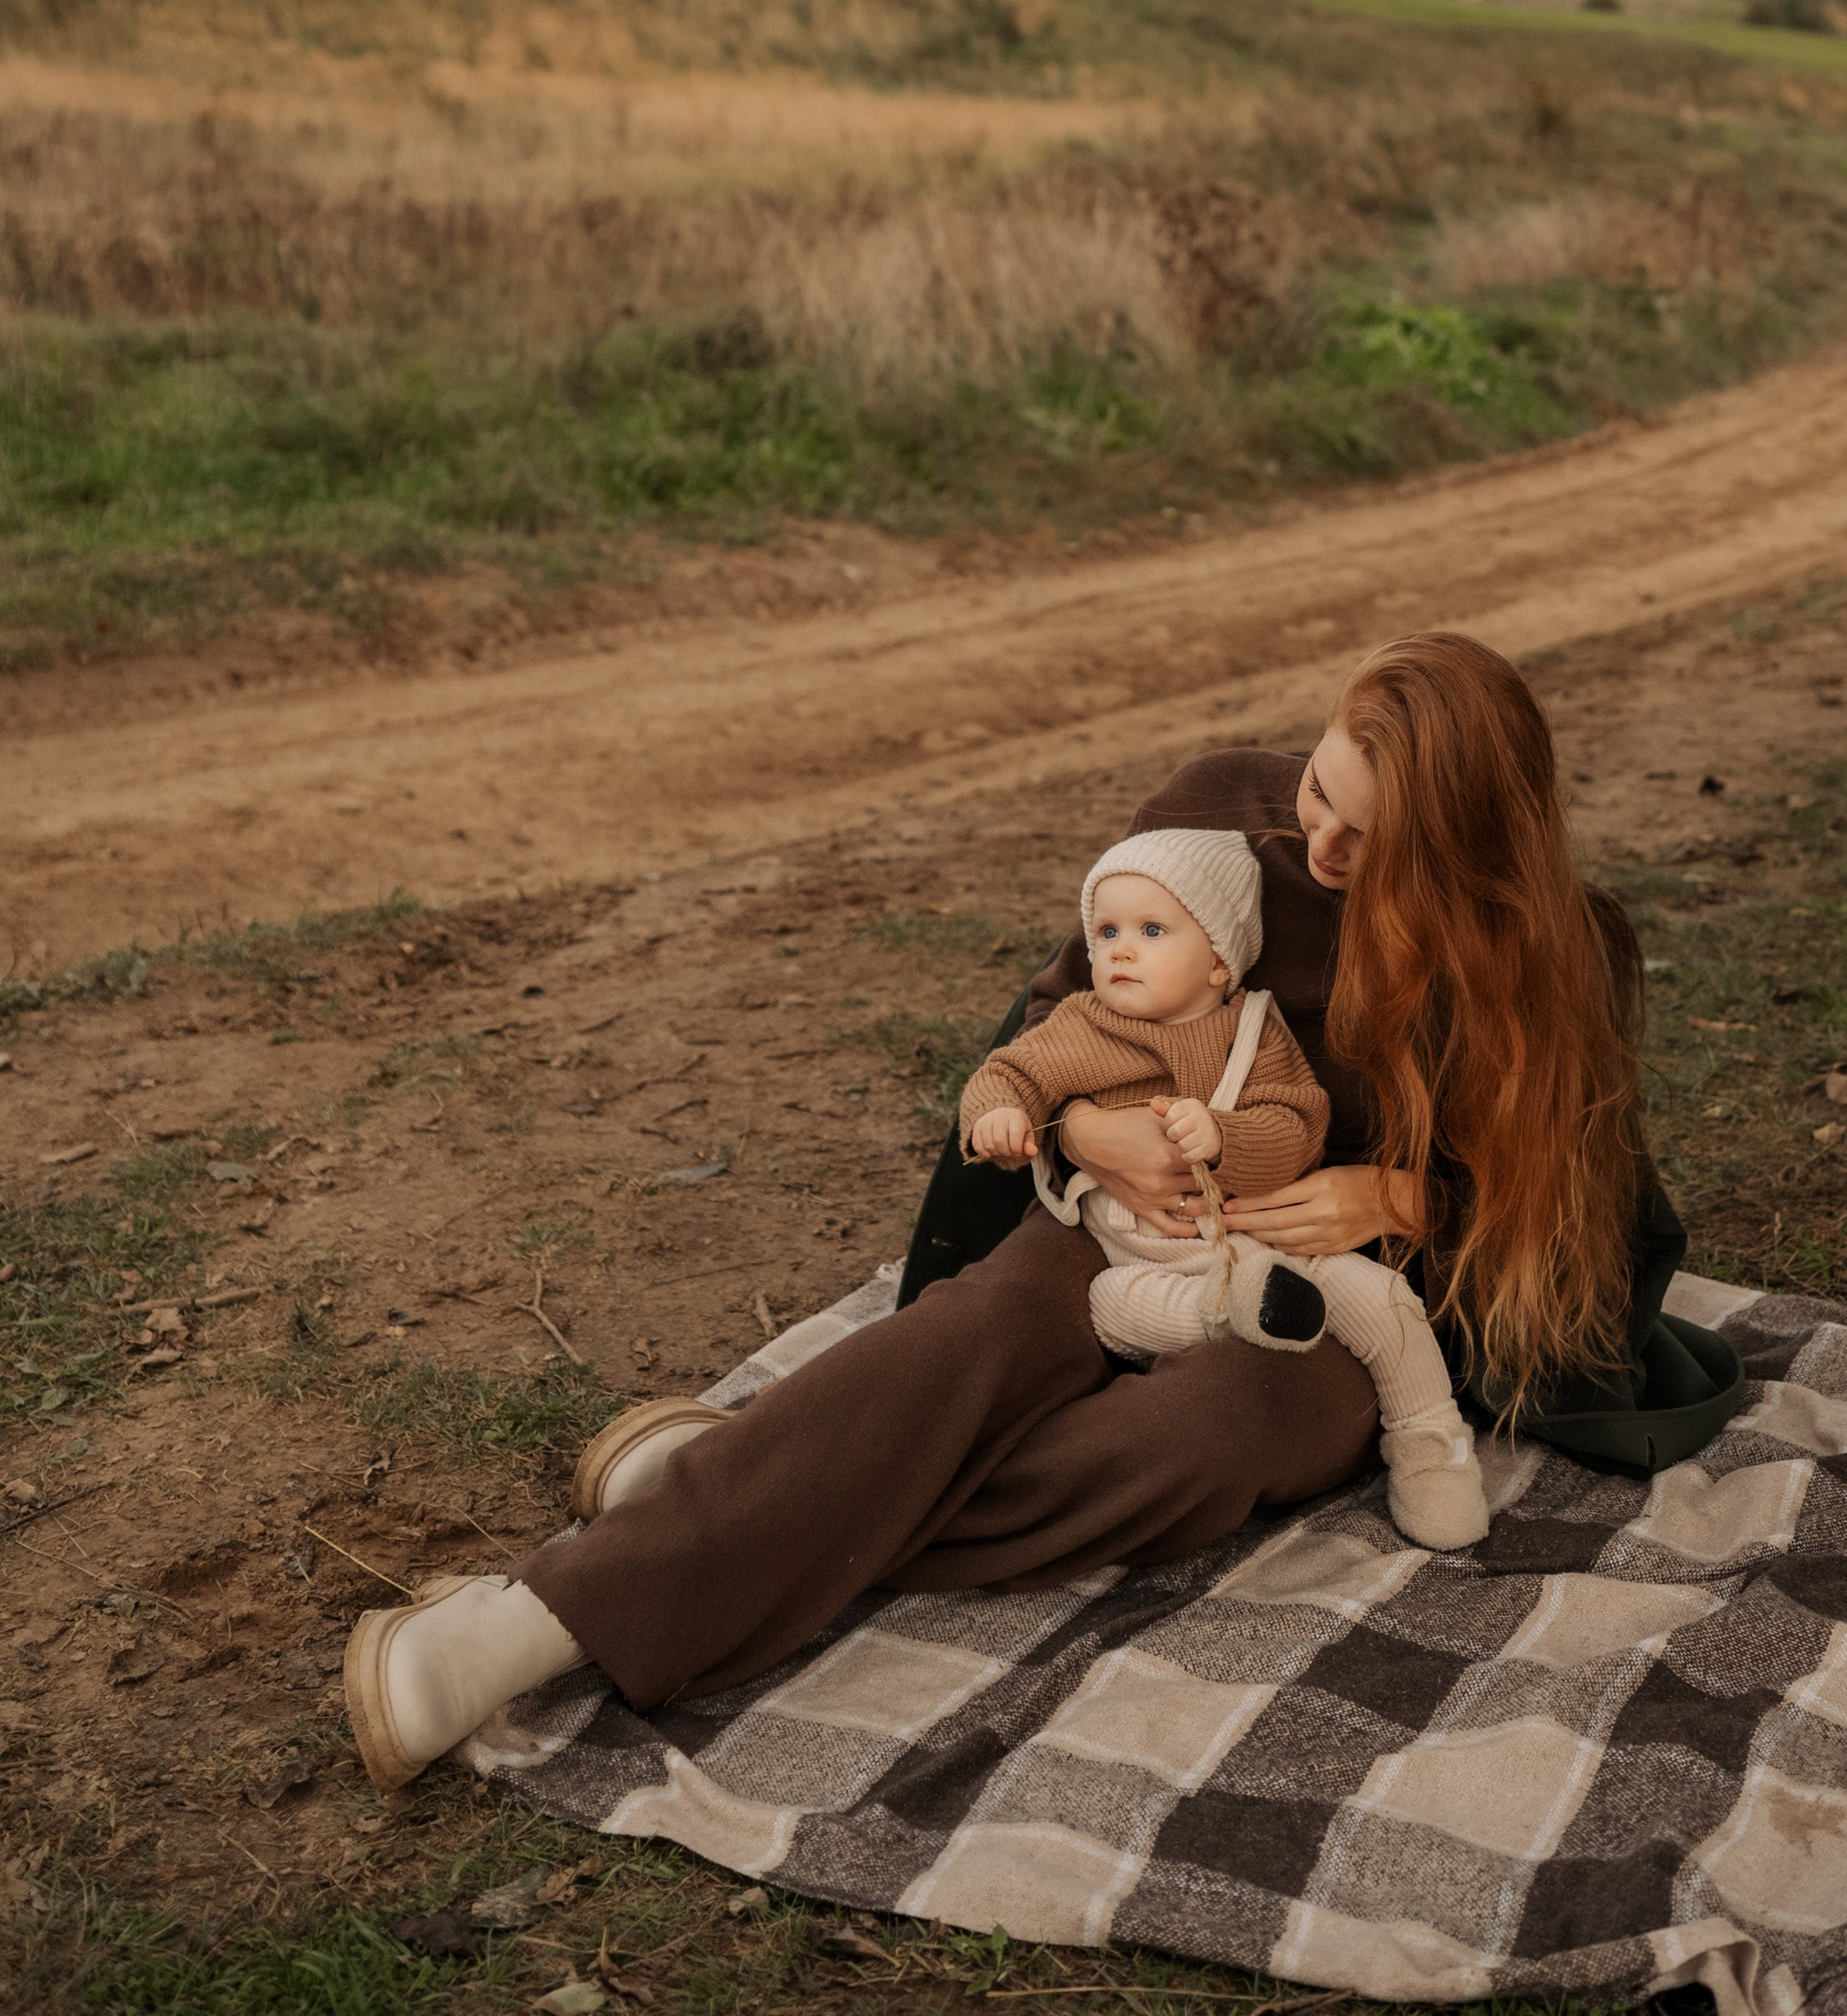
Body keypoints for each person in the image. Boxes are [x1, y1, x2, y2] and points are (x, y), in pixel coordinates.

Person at [342, 630, 1745, 1792]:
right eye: (1318, 793)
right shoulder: (1220, 811)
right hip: (1118, 1217)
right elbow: (1054, 1017)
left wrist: (1407, 1195)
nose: (1316, 845)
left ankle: (747, 1482)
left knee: (1197, 1435)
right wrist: (1088, 1127)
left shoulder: (1550, 951)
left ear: (1470, 850)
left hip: (1326, 1308)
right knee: (973, 1340)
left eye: (1368, 840)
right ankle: (524, 1630)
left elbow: (1584, 1217)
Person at [961, 825, 1489, 1546]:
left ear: (1217, 962)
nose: (1119, 949)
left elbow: (1299, 1124)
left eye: (1151, 930)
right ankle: (1237, 1312)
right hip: (1150, 1256)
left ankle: (1432, 1449)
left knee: (1385, 1303)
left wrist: (1224, 1137)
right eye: (1106, 930)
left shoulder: (1254, 1030)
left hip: (1265, 1234)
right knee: (1112, 1308)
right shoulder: (1086, 1023)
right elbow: (1010, 1072)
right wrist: (996, 1114)